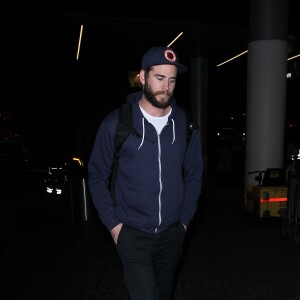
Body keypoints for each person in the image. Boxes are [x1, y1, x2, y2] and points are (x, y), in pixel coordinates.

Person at [88, 46, 203, 300]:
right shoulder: (115, 124)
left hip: (172, 235)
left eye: (172, 80)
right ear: (142, 77)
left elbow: (194, 174)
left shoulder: (185, 125)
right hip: (132, 234)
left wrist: (184, 221)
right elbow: (96, 176)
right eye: (159, 78)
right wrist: (114, 226)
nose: (166, 87)